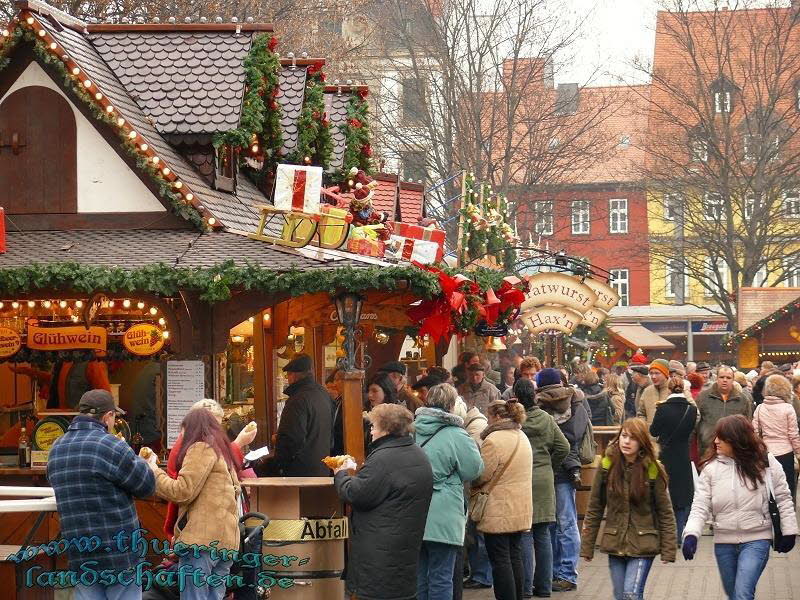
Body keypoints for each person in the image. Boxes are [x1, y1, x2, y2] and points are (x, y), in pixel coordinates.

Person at [48, 390, 155, 600]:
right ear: (107, 416)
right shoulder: (112, 445)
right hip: (119, 554)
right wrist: (146, 464)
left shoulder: (56, 448)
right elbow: (146, 486)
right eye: (115, 417)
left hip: (79, 551)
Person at [682, 415, 798, 600]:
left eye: (722, 437)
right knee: (734, 594)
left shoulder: (766, 463)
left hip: (757, 539)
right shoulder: (712, 469)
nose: (716, 441)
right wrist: (691, 534)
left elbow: (783, 498)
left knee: (742, 594)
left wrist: (789, 531)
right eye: (716, 436)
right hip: (724, 542)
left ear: (736, 439)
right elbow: (700, 505)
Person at [334, 403, 433, 600]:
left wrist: (340, 473)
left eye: (373, 426)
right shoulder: (418, 454)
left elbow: (356, 494)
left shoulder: (383, 458)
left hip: (379, 554)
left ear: (386, 429)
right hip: (405, 550)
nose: (370, 432)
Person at [146, 409, 241, 600]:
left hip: (201, 543)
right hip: (227, 543)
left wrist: (153, 470)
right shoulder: (223, 454)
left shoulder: (201, 447)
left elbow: (182, 491)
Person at [580, 418, 677, 600]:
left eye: (632, 438)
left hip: (643, 544)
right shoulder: (607, 465)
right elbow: (595, 507)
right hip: (615, 542)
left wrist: (668, 548)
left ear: (642, 442)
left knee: (630, 594)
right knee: (620, 596)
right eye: (623, 436)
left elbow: (665, 512)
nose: (626, 441)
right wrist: (587, 547)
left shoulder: (653, 469)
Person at [415, 383, 484, 600]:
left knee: (420, 576)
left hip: (413, 512)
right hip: (444, 514)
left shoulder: (411, 430)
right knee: (442, 577)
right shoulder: (457, 434)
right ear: (452, 405)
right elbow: (474, 469)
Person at [165, 399, 256, 541]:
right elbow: (185, 488)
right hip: (197, 528)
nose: (216, 432)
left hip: (207, 526)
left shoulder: (193, 443)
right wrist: (239, 443)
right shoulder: (195, 446)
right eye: (213, 426)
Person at [471, 398, 533, 600]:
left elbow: (482, 475)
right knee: (514, 555)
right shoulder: (522, 436)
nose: (487, 421)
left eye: (489, 417)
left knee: (500, 559)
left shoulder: (493, 440)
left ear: (497, 416)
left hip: (498, 509)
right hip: (520, 506)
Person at [534, 368, 590, 592]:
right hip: (570, 467)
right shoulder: (577, 401)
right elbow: (578, 432)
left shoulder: (538, 403)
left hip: (547, 467)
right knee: (567, 523)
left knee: (553, 524)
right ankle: (566, 574)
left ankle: (558, 573)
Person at [518, 378, 569, 598]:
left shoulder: (517, 421)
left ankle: (526, 587)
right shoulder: (547, 419)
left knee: (526, 535)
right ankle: (545, 587)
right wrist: (551, 465)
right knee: (544, 535)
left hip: (522, 479)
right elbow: (563, 447)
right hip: (545, 479)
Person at [256, 354, 332, 476]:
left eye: (288, 375)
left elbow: (292, 439)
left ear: (293, 375)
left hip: (300, 473)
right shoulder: (323, 393)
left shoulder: (297, 400)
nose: (287, 379)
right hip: (321, 468)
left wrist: (278, 465)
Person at [650, 374, 697, 543]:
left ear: (669, 389)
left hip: (665, 455)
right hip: (683, 454)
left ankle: (664, 535)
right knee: (682, 496)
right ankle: (679, 534)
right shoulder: (691, 409)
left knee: (663, 493)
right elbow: (691, 429)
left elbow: (654, 431)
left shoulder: (662, 409)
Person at [752, 374, 800, 500]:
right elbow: (793, 434)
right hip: (786, 453)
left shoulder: (760, 408)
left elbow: (755, 433)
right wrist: (799, 453)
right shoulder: (788, 408)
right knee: (787, 489)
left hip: (766, 453)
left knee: (768, 489)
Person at [695, 365, 754, 457]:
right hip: (707, 448)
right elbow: (696, 422)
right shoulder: (703, 397)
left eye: (728, 378)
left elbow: (747, 425)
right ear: (716, 378)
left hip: (733, 449)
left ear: (733, 380)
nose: (725, 380)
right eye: (722, 377)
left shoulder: (743, 400)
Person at [636, 359, 670, 426]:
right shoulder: (647, 391)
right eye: (651, 373)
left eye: (657, 373)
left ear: (665, 374)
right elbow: (641, 413)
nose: (653, 377)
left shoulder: (676, 389)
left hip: (671, 435)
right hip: (650, 435)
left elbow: (692, 413)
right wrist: (644, 427)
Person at [327, 368, 346, 456]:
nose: (334, 384)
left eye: (337, 380)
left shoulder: (351, 401)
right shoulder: (339, 400)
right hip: (335, 450)